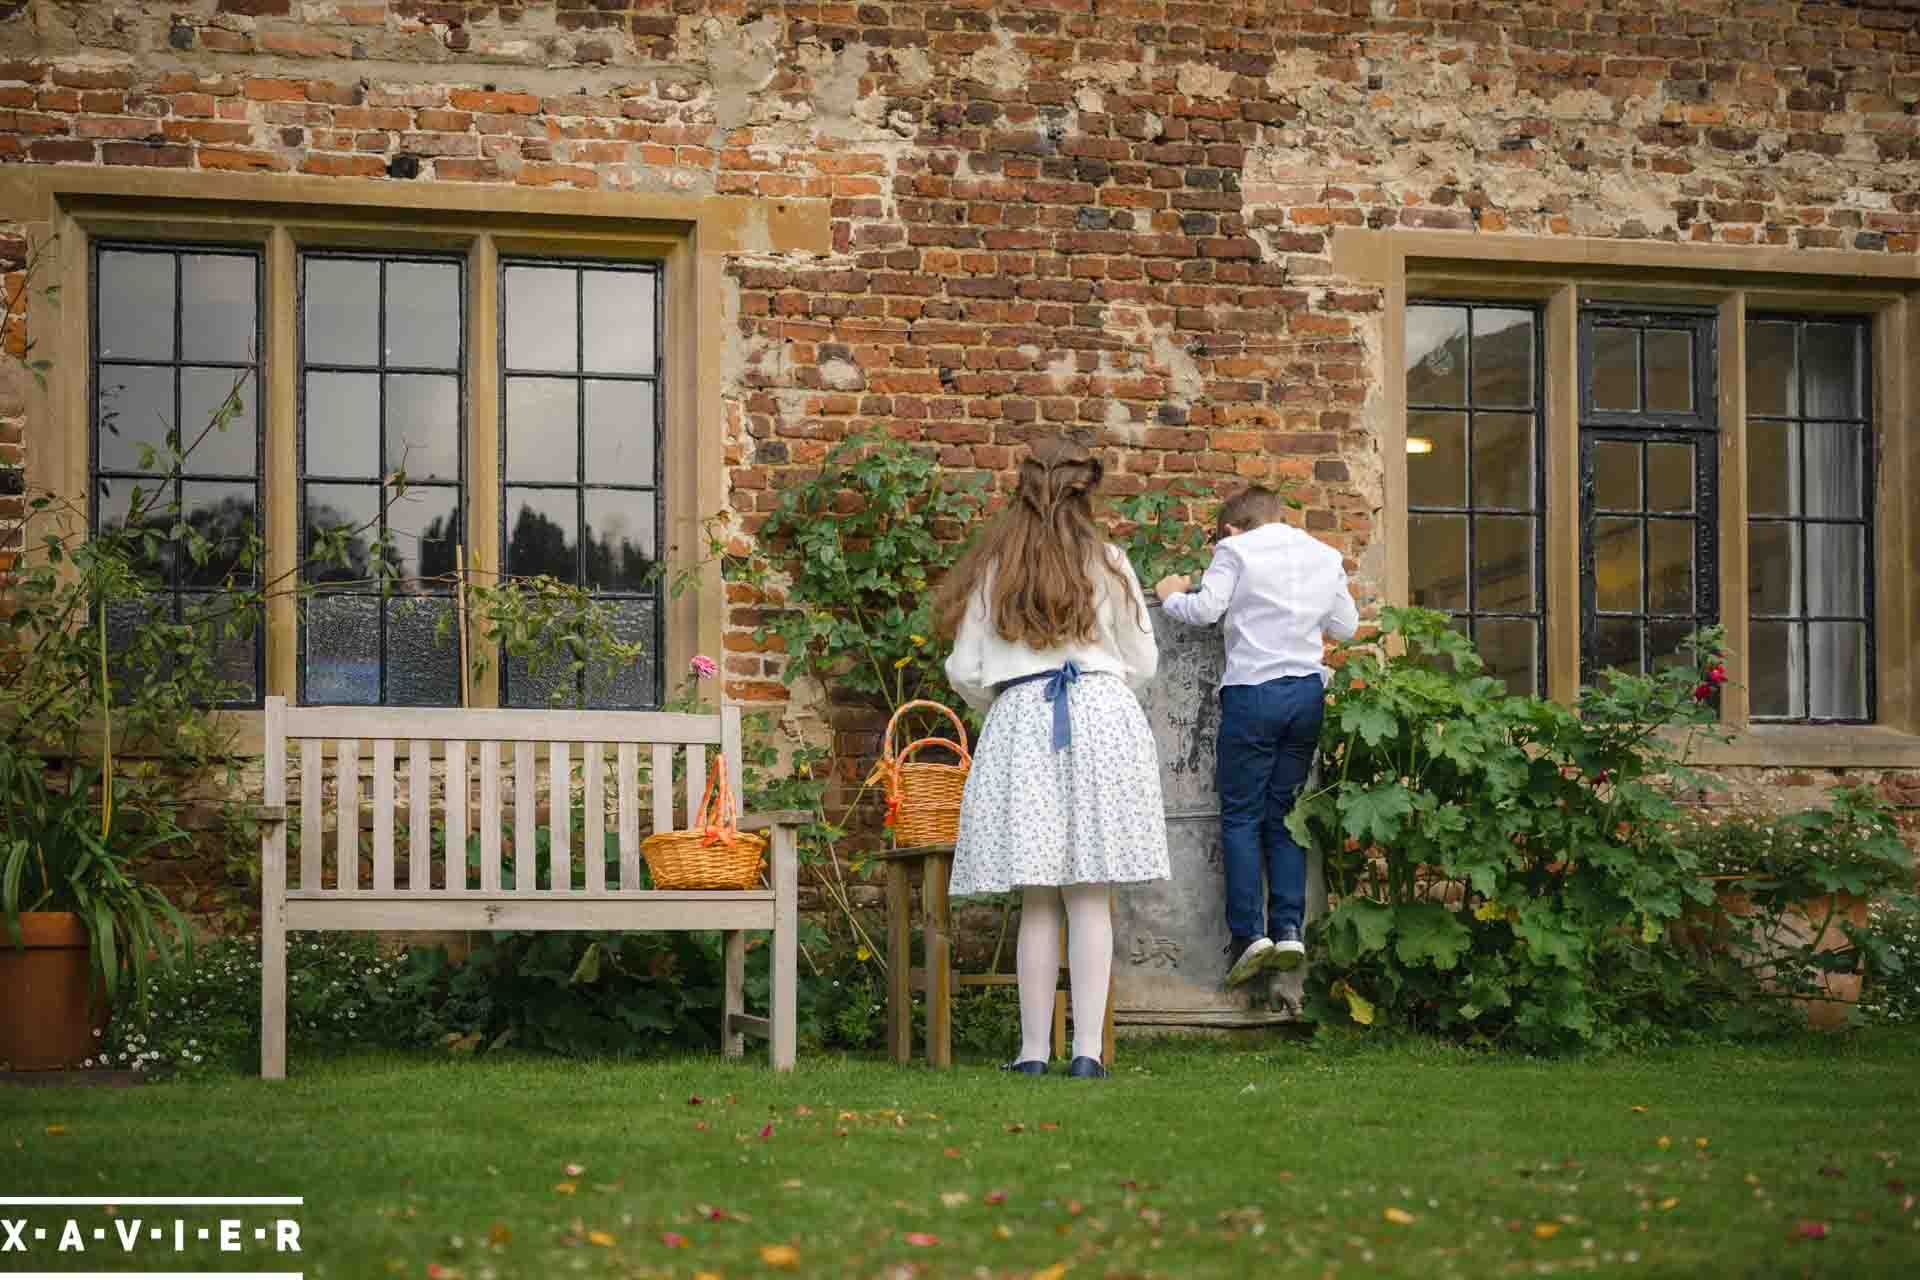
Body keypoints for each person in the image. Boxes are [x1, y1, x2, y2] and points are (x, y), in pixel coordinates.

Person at [936, 436, 1169, 1079]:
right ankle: (1088, 1053)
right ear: (1084, 493)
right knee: (1090, 894)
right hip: (1102, 714)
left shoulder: (997, 569)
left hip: (1022, 720)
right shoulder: (1111, 563)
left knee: (1038, 897)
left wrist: (1008, 695)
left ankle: (1033, 1052)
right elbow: (1144, 661)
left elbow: (964, 669)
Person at [1154, 485, 1359, 987]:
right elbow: (1347, 626)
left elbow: (1205, 610)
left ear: (1230, 528)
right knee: (1284, 810)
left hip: (1253, 693)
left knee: (1241, 814)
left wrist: (1169, 595)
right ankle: (1289, 926)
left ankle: (1249, 936)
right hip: (1306, 694)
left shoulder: (1235, 550)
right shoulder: (1325, 554)